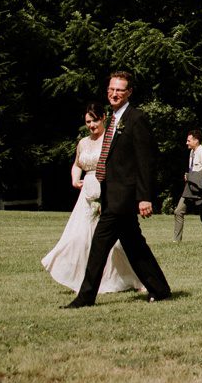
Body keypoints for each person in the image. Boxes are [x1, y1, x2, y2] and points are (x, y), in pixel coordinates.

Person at [64, 71, 172, 307]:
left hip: (124, 196)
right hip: (110, 193)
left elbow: (146, 161)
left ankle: (85, 297)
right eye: (111, 89)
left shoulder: (136, 118)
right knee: (134, 245)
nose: (114, 94)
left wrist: (144, 197)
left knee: (99, 244)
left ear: (129, 92)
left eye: (120, 90)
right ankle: (160, 289)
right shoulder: (112, 119)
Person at [43, 104, 141, 295]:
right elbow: (77, 164)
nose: (91, 125)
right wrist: (75, 179)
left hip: (108, 191)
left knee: (117, 242)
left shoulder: (111, 140)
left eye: (94, 120)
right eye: (88, 122)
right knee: (79, 238)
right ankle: (83, 280)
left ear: (103, 117)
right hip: (86, 195)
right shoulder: (83, 143)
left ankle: (137, 278)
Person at [174, 130, 202, 242]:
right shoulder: (192, 152)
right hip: (191, 185)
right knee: (178, 211)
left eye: (189, 140)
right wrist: (189, 176)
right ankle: (176, 240)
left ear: (196, 141)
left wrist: (191, 176)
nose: (186, 143)